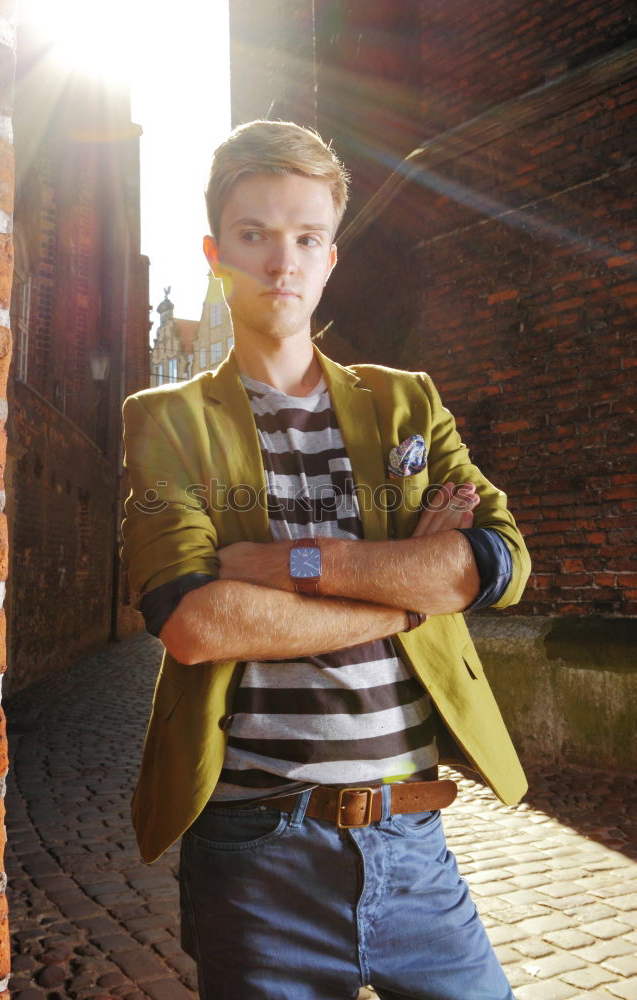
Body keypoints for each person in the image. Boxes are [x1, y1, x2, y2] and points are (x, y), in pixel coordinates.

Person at [121, 119, 531, 1000]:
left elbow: (493, 561)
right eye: (254, 236)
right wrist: (404, 587)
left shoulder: (405, 404)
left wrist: (281, 562)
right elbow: (194, 623)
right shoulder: (167, 421)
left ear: (331, 257)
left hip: (416, 847)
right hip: (255, 854)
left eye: (307, 237)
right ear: (216, 252)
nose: (282, 263)